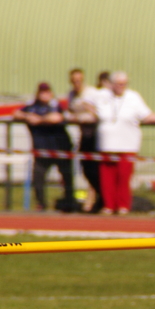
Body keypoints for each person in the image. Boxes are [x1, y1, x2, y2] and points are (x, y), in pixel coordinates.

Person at [94, 72, 155, 215]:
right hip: (106, 145)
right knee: (107, 179)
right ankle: (108, 206)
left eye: (124, 84)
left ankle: (123, 206)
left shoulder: (133, 97)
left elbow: (146, 115)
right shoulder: (102, 95)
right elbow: (88, 105)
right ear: (112, 84)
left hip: (127, 145)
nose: (121, 86)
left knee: (124, 178)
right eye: (118, 84)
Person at [13, 82, 76, 211]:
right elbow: (16, 113)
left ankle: (69, 202)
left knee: (66, 176)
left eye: (47, 92)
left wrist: (40, 120)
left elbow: (57, 117)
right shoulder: (32, 107)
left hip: (60, 148)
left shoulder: (55, 105)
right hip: (41, 150)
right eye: (42, 92)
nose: (44, 95)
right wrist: (27, 116)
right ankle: (41, 203)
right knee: (38, 177)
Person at [66, 68, 103, 213]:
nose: (77, 83)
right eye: (74, 81)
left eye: (79, 80)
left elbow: (98, 114)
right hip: (84, 135)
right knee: (86, 169)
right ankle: (96, 199)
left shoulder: (92, 93)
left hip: (96, 135)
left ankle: (101, 200)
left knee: (95, 170)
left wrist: (86, 113)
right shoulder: (71, 95)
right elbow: (70, 112)